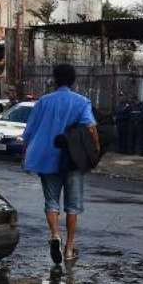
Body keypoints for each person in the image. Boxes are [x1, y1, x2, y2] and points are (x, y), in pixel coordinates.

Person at [22, 64, 100, 264]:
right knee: (73, 206)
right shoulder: (82, 102)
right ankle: (69, 249)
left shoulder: (43, 102)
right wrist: (95, 152)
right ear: (73, 80)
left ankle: (55, 234)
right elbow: (91, 128)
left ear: (54, 80)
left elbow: (29, 132)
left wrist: (27, 154)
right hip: (73, 159)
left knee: (51, 202)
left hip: (46, 158)